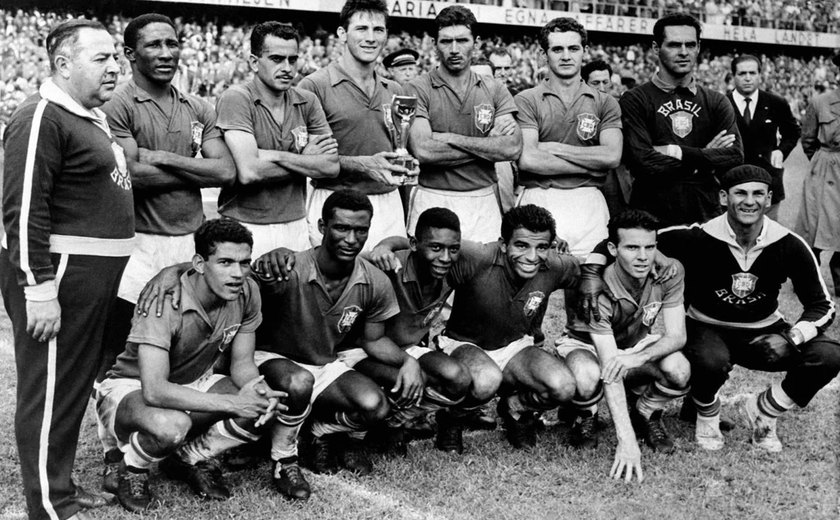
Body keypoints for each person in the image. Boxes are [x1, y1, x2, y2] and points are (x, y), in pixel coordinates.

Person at [0, 19, 133, 520]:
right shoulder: (40, 115)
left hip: (90, 277)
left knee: (72, 388)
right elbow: (24, 206)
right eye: (100, 59)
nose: (114, 67)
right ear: (62, 64)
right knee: (49, 389)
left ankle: (61, 488)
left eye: (115, 57)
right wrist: (39, 287)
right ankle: (49, 508)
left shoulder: (87, 117)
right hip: (63, 274)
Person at [96, 219, 284, 512]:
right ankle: (131, 468)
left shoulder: (247, 291)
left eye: (244, 262)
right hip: (131, 387)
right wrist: (233, 403)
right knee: (172, 425)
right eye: (225, 262)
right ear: (198, 263)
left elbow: (243, 364)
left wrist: (256, 391)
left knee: (260, 403)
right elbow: (155, 391)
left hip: (194, 380)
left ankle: (187, 458)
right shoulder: (164, 301)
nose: (237, 273)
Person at [655, 165, 839, 452]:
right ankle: (705, 412)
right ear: (723, 197)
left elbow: (822, 305)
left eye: (758, 194)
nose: (749, 201)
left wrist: (792, 337)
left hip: (763, 333)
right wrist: (592, 272)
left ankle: (765, 410)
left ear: (769, 199)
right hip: (707, 326)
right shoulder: (696, 237)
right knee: (710, 360)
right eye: (740, 193)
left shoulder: (788, 244)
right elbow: (624, 240)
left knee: (828, 355)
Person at [373, 205, 582, 452]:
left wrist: (589, 287)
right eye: (522, 245)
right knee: (485, 380)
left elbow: (586, 270)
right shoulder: (476, 256)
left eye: (542, 247)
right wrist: (384, 246)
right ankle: (452, 419)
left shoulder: (556, 265)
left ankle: (515, 410)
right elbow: (424, 243)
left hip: (515, 347)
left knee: (564, 386)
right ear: (504, 244)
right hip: (465, 344)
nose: (532, 256)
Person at [98, 13, 235, 384]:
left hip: (188, 238)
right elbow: (132, 175)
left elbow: (225, 171)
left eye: (172, 43)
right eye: (154, 44)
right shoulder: (118, 104)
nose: (165, 53)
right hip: (137, 242)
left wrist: (163, 157)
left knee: (182, 336)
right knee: (125, 340)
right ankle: (115, 418)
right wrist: (193, 169)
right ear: (130, 54)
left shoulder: (197, 106)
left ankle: (169, 411)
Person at [254, 189, 416, 475]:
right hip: (274, 361)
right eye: (341, 228)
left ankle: (318, 433)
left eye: (360, 230)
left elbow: (373, 339)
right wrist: (174, 274)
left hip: (324, 366)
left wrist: (408, 361)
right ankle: (284, 457)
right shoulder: (289, 267)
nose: (351, 239)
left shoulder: (374, 281)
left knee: (375, 405)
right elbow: (233, 281)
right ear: (321, 227)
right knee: (298, 381)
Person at [559, 209, 690, 481]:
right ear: (612, 249)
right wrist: (626, 441)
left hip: (634, 345)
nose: (643, 257)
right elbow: (610, 366)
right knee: (587, 378)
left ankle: (645, 411)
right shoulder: (597, 288)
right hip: (588, 346)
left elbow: (677, 336)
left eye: (649, 247)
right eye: (631, 247)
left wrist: (639, 357)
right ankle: (586, 412)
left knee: (679, 370)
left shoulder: (669, 271)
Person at [345, 208, 472, 454]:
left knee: (458, 378)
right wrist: (383, 246)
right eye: (435, 248)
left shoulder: (453, 269)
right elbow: (341, 258)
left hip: (405, 348)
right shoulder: (389, 265)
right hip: (361, 349)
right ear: (414, 244)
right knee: (407, 380)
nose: (445, 257)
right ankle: (346, 436)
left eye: (452, 249)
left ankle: (392, 423)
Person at [215, 22, 339, 257]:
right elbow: (250, 171)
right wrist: (305, 161)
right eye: (276, 59)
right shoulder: (237, 98)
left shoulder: (308, 100)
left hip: (296, 223)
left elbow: (331, 167)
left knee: (295, 292)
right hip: (245, 225)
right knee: (247, 292)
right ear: (254, 62)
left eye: (292, 60)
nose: (287, 68)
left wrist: (276, 156)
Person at [298, 0, 410, 251]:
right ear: (342, 34)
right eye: (361, 29)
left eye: (378, 30)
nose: (371, 38)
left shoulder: (394, 90)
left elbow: (399, 150)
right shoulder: (314, 86)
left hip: (388, 203)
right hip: (335, 202)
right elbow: (306, 161)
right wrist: (364, 165)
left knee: (389, 284)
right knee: (332, 285)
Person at [404, 5, 522, 243]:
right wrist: (487, 146)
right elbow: (424, 150)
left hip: (484, 200)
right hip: (433, 197)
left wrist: (447, 137)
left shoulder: (495, 88)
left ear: (476, 43)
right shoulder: (417, 88)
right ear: (435, 44)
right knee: (431, 277)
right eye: (446, 41)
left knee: (483, 276)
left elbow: (512, 148)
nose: (455, 49)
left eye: (462, 40)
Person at [620, 13, 743, 227]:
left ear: (698, 47)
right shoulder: (635, 99)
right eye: (675, 45)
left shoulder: (716, 101)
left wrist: (676, 152)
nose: (684, 52)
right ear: (656, 48)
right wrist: (705, 157)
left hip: (706, 215)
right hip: (651, 217)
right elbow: (642, 162)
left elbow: (734, 156)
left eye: (690, 44)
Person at [515, 18, 622, 258]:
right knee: (536, 286)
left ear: (584, 50)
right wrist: (592, 166)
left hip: (589, 202)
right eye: (557, 49)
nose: (566, 56)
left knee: (589, 285)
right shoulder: (526, 99)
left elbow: (612, 156)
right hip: (540, 198)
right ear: (544, 54)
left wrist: (553, 148)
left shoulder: (605, 102)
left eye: (573, 48)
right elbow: (529, 160)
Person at [726, 54, 800, 221]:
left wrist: (781, 151)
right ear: (733, 76)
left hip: (767, 181)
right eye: (742, 73)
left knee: (767, 237)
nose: (747, 78)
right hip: (732, 181)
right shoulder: (720, 103)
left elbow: (793, 132)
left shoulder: (776, 103)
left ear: (760, 75)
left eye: (752, 73)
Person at [796, 56, 840, 297]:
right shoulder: (820, 102)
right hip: (825, 169)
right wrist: (824, 161)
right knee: (814, 226)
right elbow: (808, 139)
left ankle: (839, 273)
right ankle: (807, 276)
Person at [582, 59, 632, 218]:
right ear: (584, 83)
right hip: (585, 178)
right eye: (596, 83)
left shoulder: (621, 108)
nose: (602, 88)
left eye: (606, 82)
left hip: (617, 177)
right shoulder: (576, 109)